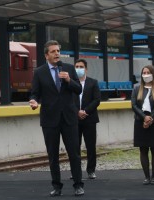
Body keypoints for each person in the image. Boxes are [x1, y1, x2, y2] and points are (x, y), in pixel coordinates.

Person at [29, 40, 84, 196]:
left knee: (74, 153)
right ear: (46, 55)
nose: (57, 54)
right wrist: (33, 101)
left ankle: (78, 184)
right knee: (53, 155)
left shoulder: (68, 69)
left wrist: (68, 80)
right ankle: (57, 186)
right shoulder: (39, 72)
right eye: (53, 51)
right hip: (50, 119)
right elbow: (35, 93)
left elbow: (78, 89)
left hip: (69, 118)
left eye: (58, 51)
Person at [131, 65, 154, 185]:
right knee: (143, 149)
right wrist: (144, 117)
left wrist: (151, 118)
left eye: (148, 72)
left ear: (153, 74)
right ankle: (147, 177)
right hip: (140, 121)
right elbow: (134, 105)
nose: (145, 75)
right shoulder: (136, 88)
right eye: (144, 73)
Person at [74, 59, 101, 179]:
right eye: (77, 66)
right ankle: (76, 171)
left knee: (90, 146)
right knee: (75, 146)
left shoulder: (93, 82)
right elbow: (67, 100)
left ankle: (91, 170)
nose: (79, 69)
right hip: (74, 119)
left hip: (89, 119)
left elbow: (96, 100)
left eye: (81, 67)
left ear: (86, 69)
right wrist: (76, 112)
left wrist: (85, 111)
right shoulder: (71, 83)